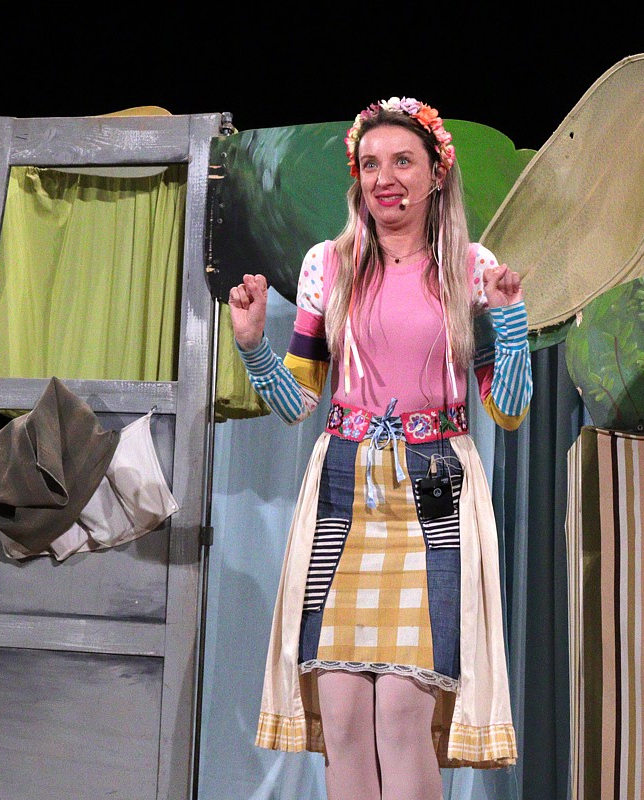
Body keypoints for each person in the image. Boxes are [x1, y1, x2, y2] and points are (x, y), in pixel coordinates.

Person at [228, 96, 532, 799]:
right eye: (370, 164)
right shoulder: (328, 265)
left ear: (436, 173)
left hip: (433, 488)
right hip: (344, 486)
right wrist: (252, 348)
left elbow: (509, 410)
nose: (384, 178)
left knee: (400, 715)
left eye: (401, 162)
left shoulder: (471, 268)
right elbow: (298, 400)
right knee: (340, 716)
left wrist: (510, 321)